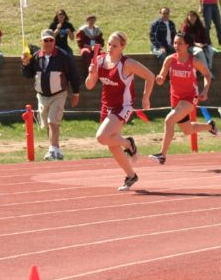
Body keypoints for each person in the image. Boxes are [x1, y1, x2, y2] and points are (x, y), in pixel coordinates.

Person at [85, 31, 155, 192]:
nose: (110, 47)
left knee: (102, 137)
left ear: (122, 47)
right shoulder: (100, 60)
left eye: (114, 45)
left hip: (123, 106)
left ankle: (128, 143)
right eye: (109, 44)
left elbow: (150, 76)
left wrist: (146, 98)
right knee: (112, 144)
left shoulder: (127, 63)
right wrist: (92, 73)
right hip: (106, 106)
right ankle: (131, 175)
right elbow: (89, 85)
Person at [149, 33, 219, 165]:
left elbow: (207, 75)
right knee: (187, 130)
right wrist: (159, 79)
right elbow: (161, 78)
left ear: (187, 45)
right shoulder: (170, 59)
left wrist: (205, 90)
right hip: (175, 99)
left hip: (190, 98)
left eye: (180, 43)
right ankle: (210, 126)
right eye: (175, 43)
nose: (176, 46)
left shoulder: (194, 61)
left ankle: (162, 155)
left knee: (169, 120)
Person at [22, 29, 82, 161]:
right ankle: (56, 150)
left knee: (53, 122)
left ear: (54, 41)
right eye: (45, 40)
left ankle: (53, 150)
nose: (48, 42)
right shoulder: (37, 57)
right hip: (42, 96)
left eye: (51, 40)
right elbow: (27, 75)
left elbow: (74, 75)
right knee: (47, 125)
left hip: (58, 94)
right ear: (41, 42)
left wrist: (76, 93)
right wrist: (25, 64)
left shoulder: (64, 57)